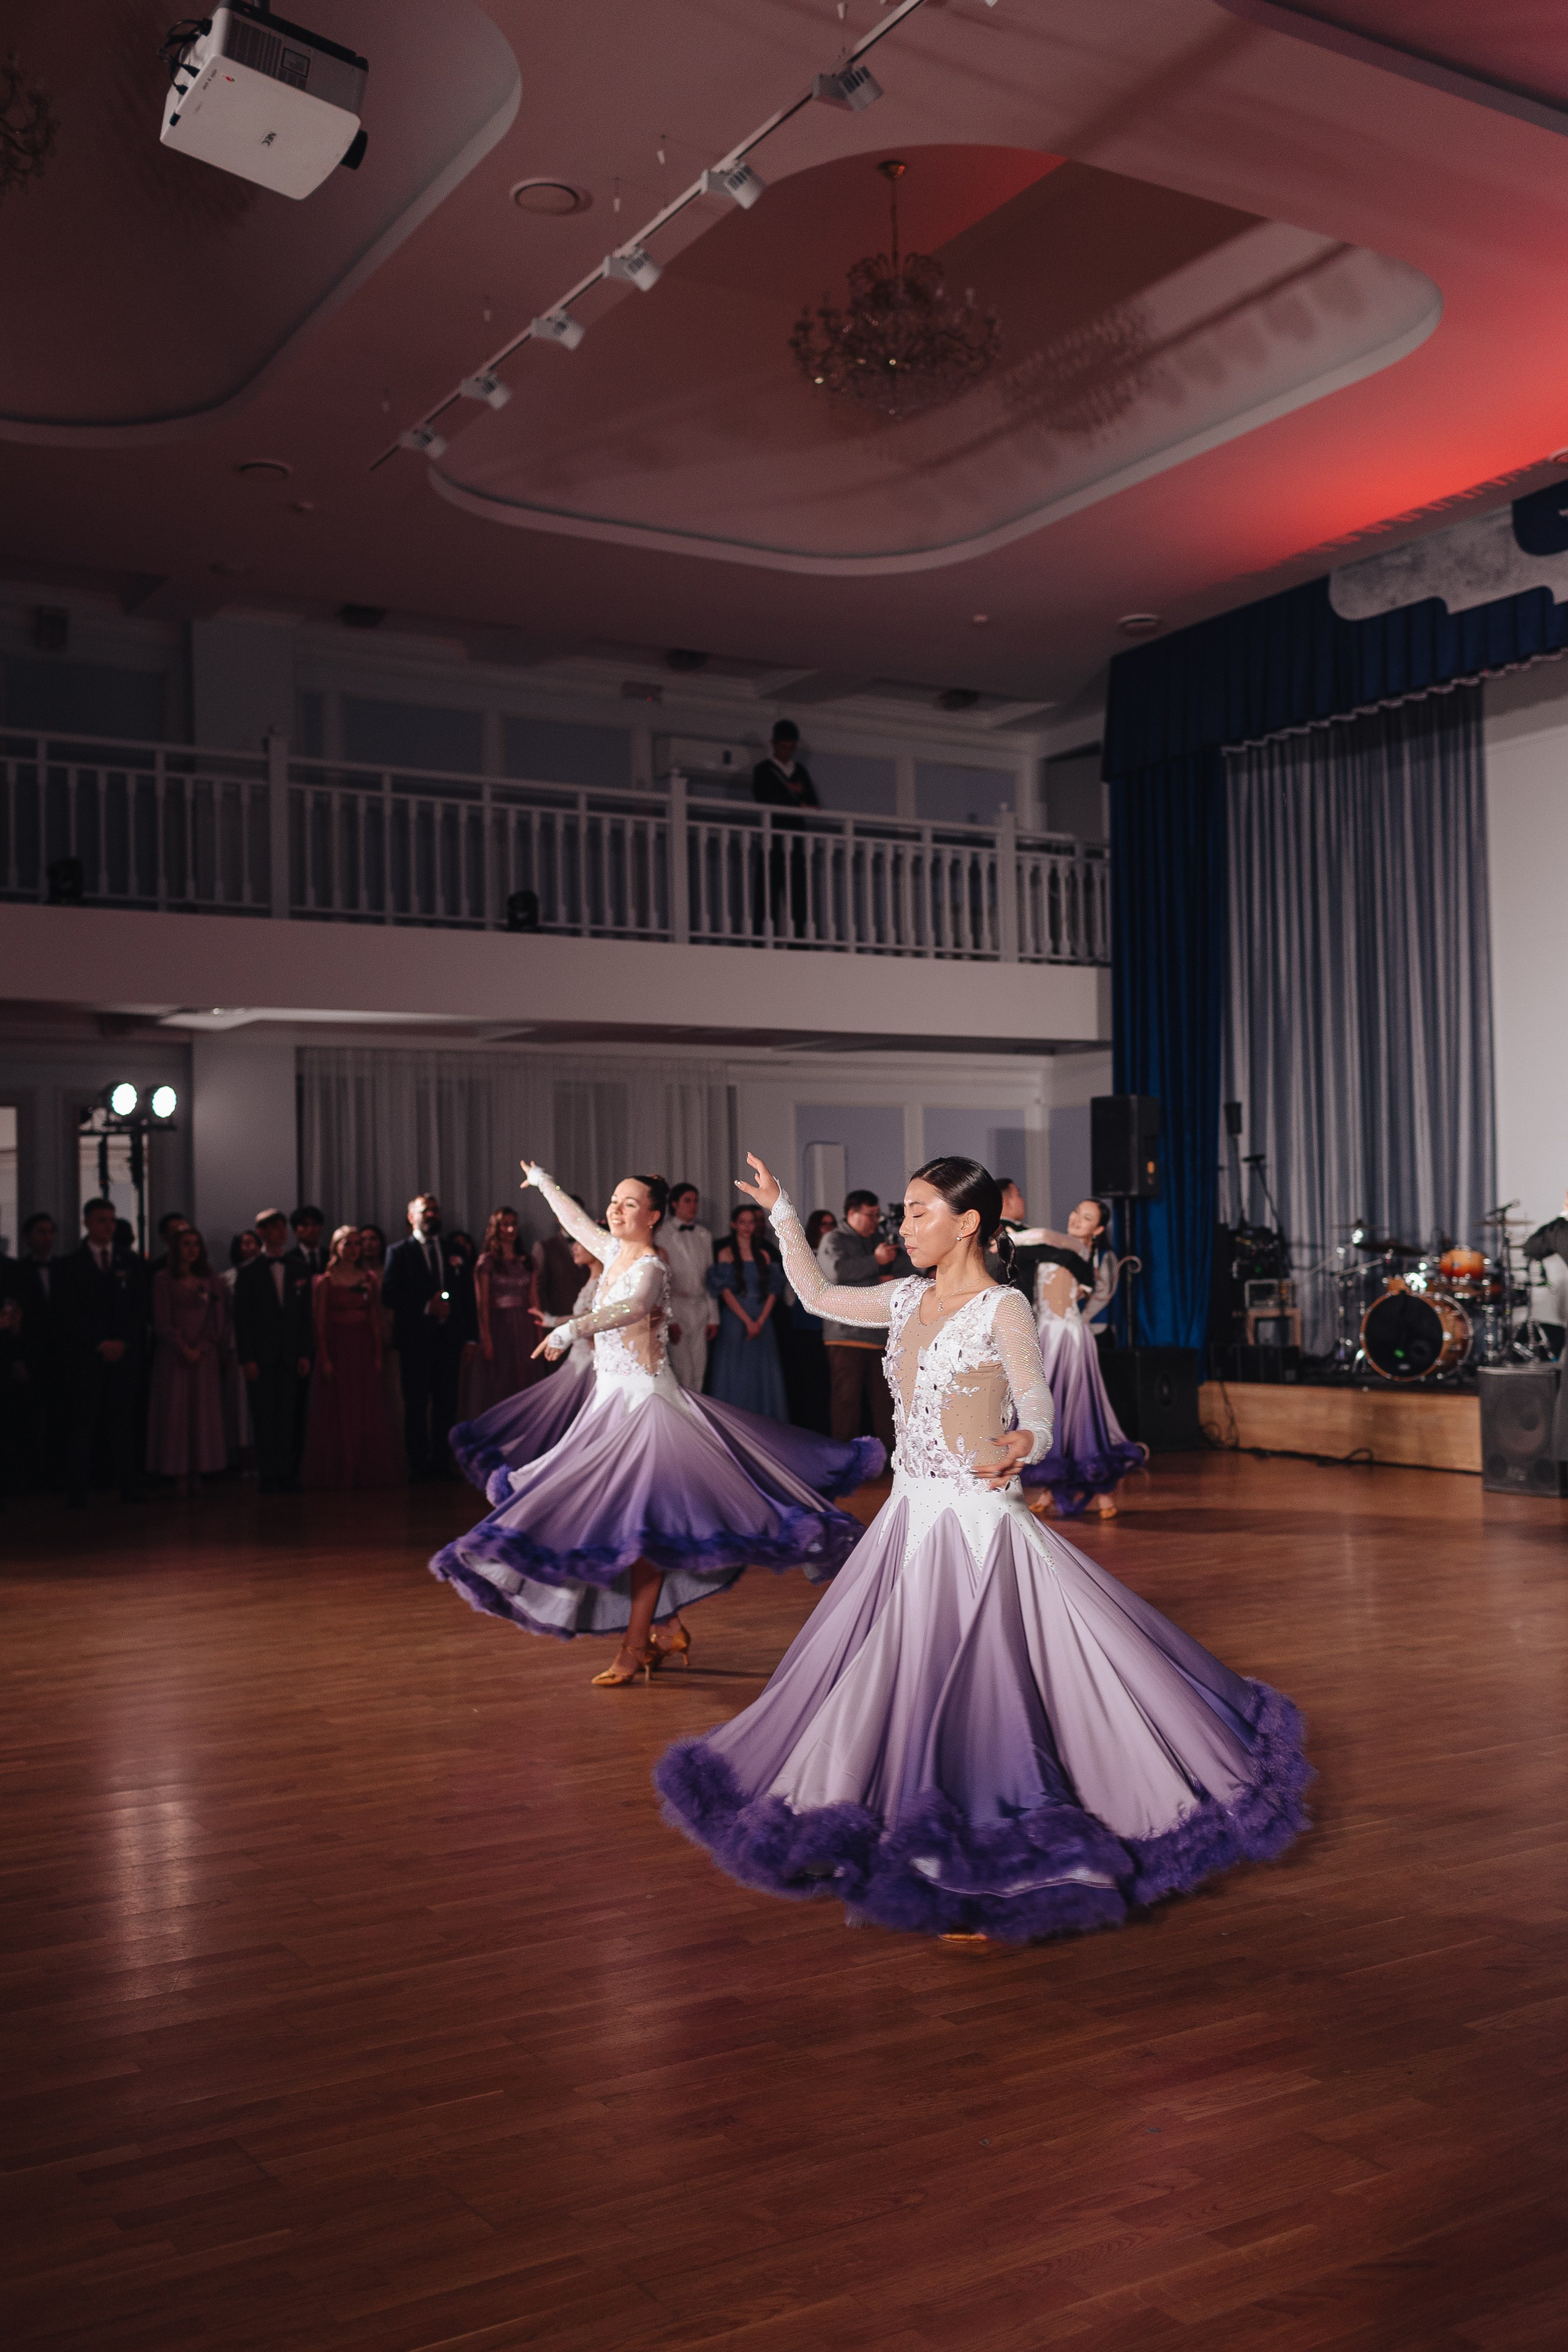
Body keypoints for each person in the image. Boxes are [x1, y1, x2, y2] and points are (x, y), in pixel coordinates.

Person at [657, 1153, 1311, 1943]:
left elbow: (1036, 1395)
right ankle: (915, 1837)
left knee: (983, 1699)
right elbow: (818, 1294)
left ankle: (987, 1859)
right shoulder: (902, 1298)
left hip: (977, 1524)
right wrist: (783, 1212)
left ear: (968, 1222)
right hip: (908, 1521)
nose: (904, 1225)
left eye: (920, 1211)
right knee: (900, 1683)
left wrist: (1025, 1441)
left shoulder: (1003, 1308)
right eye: (902, 1210)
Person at [431, 1163, 883, 1685]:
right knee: (623, 1526)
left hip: (649, 1412)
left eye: (628, 1204)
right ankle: (664, 1628)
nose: (615, 1209)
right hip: (607, 1408)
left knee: (641, 1531)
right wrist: (547, 1184)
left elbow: (633, 1307)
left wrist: (569, 1330)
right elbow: (577, 1223)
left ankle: (634, 1645)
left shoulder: (651, 1265)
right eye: (614, 1201)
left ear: (652, 1216)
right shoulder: (611, 1250)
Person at [1013, 1198, 1144, 1519]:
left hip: (1069, 1338)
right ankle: (1048, 1490)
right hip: (1045, 1334)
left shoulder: (1080, 1250)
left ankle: (1105, 1496)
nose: (1075, 1219)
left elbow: (1038, 1236)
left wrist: (1003, 1230)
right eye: (1075, 1212)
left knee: (1080, 1412)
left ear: (1097, 1229)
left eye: (1086, 1218)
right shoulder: (1060, 1248)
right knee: (1049, 1410)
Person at [451, 1236, 603, 1502]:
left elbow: (595, 1321)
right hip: (577, 1359)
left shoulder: (602, 1282)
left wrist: (556, 1324)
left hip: (588, 1363)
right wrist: (553, 1323)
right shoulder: (591, 1279)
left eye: (580, 1243)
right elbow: (587, 1318)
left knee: (563, 1422)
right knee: (554, 1419)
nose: (574, 1248)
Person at [58, 1197, 150, 1506]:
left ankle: (128, 1485)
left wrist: (123, 1342)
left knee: (123, 1421)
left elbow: (140, 1307)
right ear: (86, 1222)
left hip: (124, 1355)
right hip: (88, 1356)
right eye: (101, 1220)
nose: (108, 1226)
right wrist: (99, 1343)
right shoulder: (71, 1264)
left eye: (112, 1220)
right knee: (83, 1423)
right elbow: (69, 1313)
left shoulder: (131, 1261)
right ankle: (78, 1490)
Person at [300, 1226, 403, 1490]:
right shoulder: (325, 1280)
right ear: (336, 1246)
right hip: (337, 1347)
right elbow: (319, 1322)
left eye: (357, 1244)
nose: (354, 1248)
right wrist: (324, 1358)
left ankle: (363, 1468)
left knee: (365, 1408)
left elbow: (374, 1319)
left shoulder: (367, 1279)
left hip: (363, 1348)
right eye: (348, 1244)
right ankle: (339, 1470)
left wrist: (378, 1353)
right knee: (338, 1410)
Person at [382, 1192, 472, 1481]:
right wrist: (425, 1306)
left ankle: (442, 1464)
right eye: (425, 1211)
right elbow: (389, 1294)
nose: (432, 1215)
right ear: (412, 1218)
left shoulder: (453, 1249)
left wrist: (470, 1336)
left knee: (447, 1403)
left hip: (449, 1339)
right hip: (416, 1340)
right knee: (417, 1403)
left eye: (435, 1210)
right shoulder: (399, 1252)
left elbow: (467, 1296)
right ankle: (419, 1466)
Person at [232, 1207, 314, 1493]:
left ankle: (289, 1473)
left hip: (291, 1354)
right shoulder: (249, 1272)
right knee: (264, 1417)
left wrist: (305, 1353)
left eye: (283, 1226)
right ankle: (268, 1475)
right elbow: (242, 1321)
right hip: (262, 1356)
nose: (281, 1232)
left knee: (290, 1417)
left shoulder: (299, 1268)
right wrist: (247, 1358)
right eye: (274, 1227)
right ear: (262, 1233)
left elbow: (306, 1317)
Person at [817, 1189, 903, 1459]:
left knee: (885, 1400)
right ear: (852, 1214)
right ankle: (845, 1458)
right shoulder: (834, 1239)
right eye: (870, 1215)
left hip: (881, 1333)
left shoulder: (880, 1239)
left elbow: (901, 1273)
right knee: (847, 1400)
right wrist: (875, 1263)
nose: (875, 1221)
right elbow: (837, 1273)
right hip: (847, 1333)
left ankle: (890, 1458)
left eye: (878, 1215)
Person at [147, 1226, 228, 1495]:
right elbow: (163, 1321)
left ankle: (200, 1471)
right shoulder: (163, 1279)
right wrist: (183, 1348)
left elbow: (217, 1318)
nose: (192, 1249)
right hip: (174, 1357)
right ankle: (177, 1472)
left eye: (196, 1244)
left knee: (202, 1413)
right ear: (175, 1248)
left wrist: (203, 1346)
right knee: (176, 1415)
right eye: (186, 1244)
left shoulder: (211, 1279)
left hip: (204, 1356)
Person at [706, 1202, 788, 1419]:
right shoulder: (725, 1253)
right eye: (742, 1222)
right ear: (734, 1225)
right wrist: (748, 1321)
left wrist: (760, 1321)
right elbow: (725, 1292)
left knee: (762, 1373)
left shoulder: (764, 1254)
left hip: (762, 1318)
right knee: (735, 1373)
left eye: (751, 1222)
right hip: (736, 1319)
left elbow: (774, 1290)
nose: (747, 1227)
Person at [467, 1207, 546, 1417]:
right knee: (501, 1381)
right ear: (496, 1228)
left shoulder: (528, 1261)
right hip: (499, 1326)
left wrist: (539, 1335)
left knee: (527, 1378)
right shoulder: (487, 1262)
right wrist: (486, 1339)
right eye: (505, 1224)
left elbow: (534, 1300)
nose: (510, 1229)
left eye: (514, 1224)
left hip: (525, 1326)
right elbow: (481, 1304)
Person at [14, 1212, 67, 1490]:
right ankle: (29, 1476)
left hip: (61, 1356)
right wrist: (17, 1358)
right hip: (31, 1355)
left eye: (50, 1232)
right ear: (28, 1237)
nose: (47, 1238)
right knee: (27, 1419)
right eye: (40, 1232)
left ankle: (57, 1474)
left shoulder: (66, 1269)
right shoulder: (16, 1272)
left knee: (61, 1417)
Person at [752, 719, 819, 937]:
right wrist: (797, 802)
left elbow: (814, 805)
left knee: (798, 896)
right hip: (773, 840)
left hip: (797, 841)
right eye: (783, 747)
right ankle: (761, 942)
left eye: (791, 747)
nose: (787, 752)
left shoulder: (800, 771)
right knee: (767, 893)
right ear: (773, 744)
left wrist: (800, 796)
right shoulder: (763, 770)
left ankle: (799, 943)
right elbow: (765, 799)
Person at [663, 1183, 718, 1393]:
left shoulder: (704, 1235)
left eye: (695, 1201)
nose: (693, 1205)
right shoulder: (663, 1234)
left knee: (700, 1369)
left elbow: (711, 1277)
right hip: (676, 1305)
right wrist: (670, 1319)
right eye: (688, 1200)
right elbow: (662, 1281)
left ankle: (697, 1418)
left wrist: (714, 1317)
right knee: (681, 1369)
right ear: (674, 1204)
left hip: (700, 1306)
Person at [289, 1206, 327, 1278]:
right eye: (305, 1225)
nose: (311, 1229)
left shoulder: (331, 1256)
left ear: (321, 1227)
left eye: (314, 1224)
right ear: (295, 1231)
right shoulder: (289, 1258)